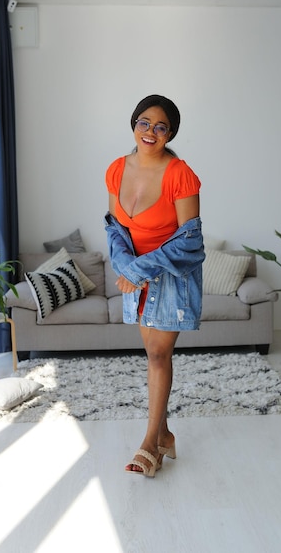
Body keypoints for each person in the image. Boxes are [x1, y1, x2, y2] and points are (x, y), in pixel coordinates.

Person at [105, 94, 204, 478]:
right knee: (152, 355)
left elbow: (190, 241)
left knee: (158, 357)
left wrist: (139, 269)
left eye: (161, 126)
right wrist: (127, 266)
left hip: (171, 276)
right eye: (144, 122)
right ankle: (164, 434)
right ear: (134, 124)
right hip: (136, 275)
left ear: (170, 133)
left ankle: (149, 443)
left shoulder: (180, 173)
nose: (151, 131)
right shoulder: (116, 169)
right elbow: (115, 229)